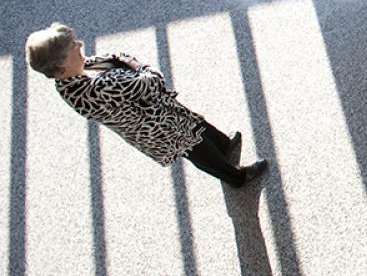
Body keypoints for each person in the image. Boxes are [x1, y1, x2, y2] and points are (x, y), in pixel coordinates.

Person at [26, 22, 268, 188]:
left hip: (161, 112)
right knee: (198, 148)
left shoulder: (75, 72)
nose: (79, 45)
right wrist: (139, 66)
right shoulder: (92, 89)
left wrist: (130, 65)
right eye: (72, 48)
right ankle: (235, 178)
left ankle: (225, 147)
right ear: (60, 66)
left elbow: (115, 59)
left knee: (198, 124)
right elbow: (151, 80)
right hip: (160, 128)